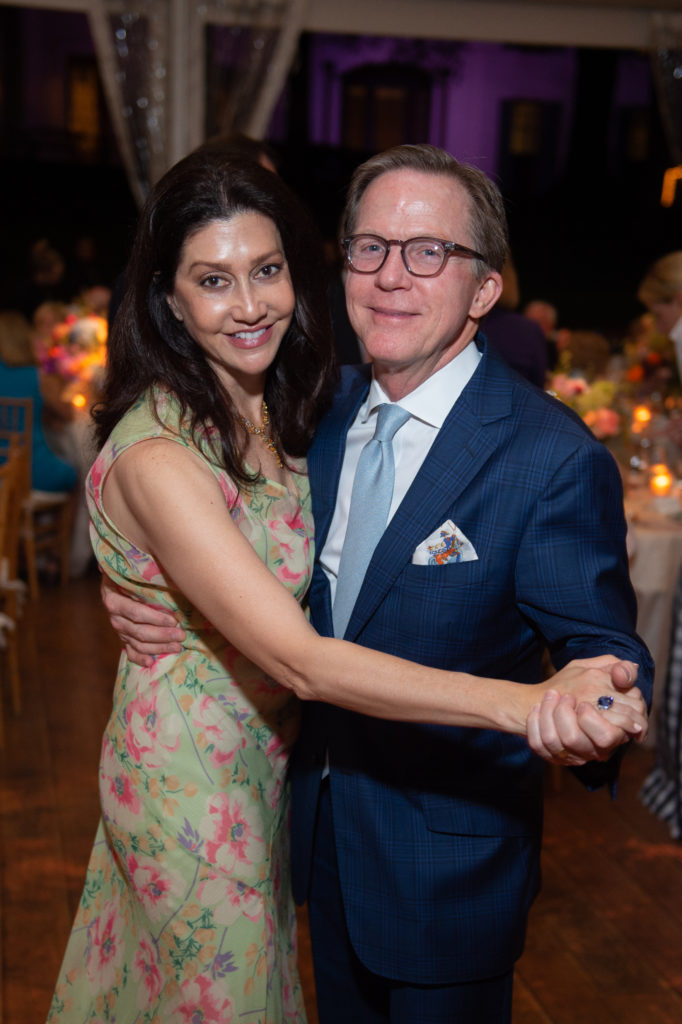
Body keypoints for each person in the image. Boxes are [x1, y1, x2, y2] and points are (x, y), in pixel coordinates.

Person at [102, 144, 652, 1023]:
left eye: (429, 251)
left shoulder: (550, 456)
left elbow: (602, 646)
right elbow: (236, 539)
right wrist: (140, 584)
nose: (392, 276)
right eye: (369, 248)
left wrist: (596, 696)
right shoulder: (318, 409)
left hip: (447, 872)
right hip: (311, 837)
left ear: (483, 290)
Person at [0, 309, 77, 492]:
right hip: (31, 469)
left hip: (4, 467)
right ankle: (58, 522)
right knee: (77, 477)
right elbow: (68, 413)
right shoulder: (37, 377)